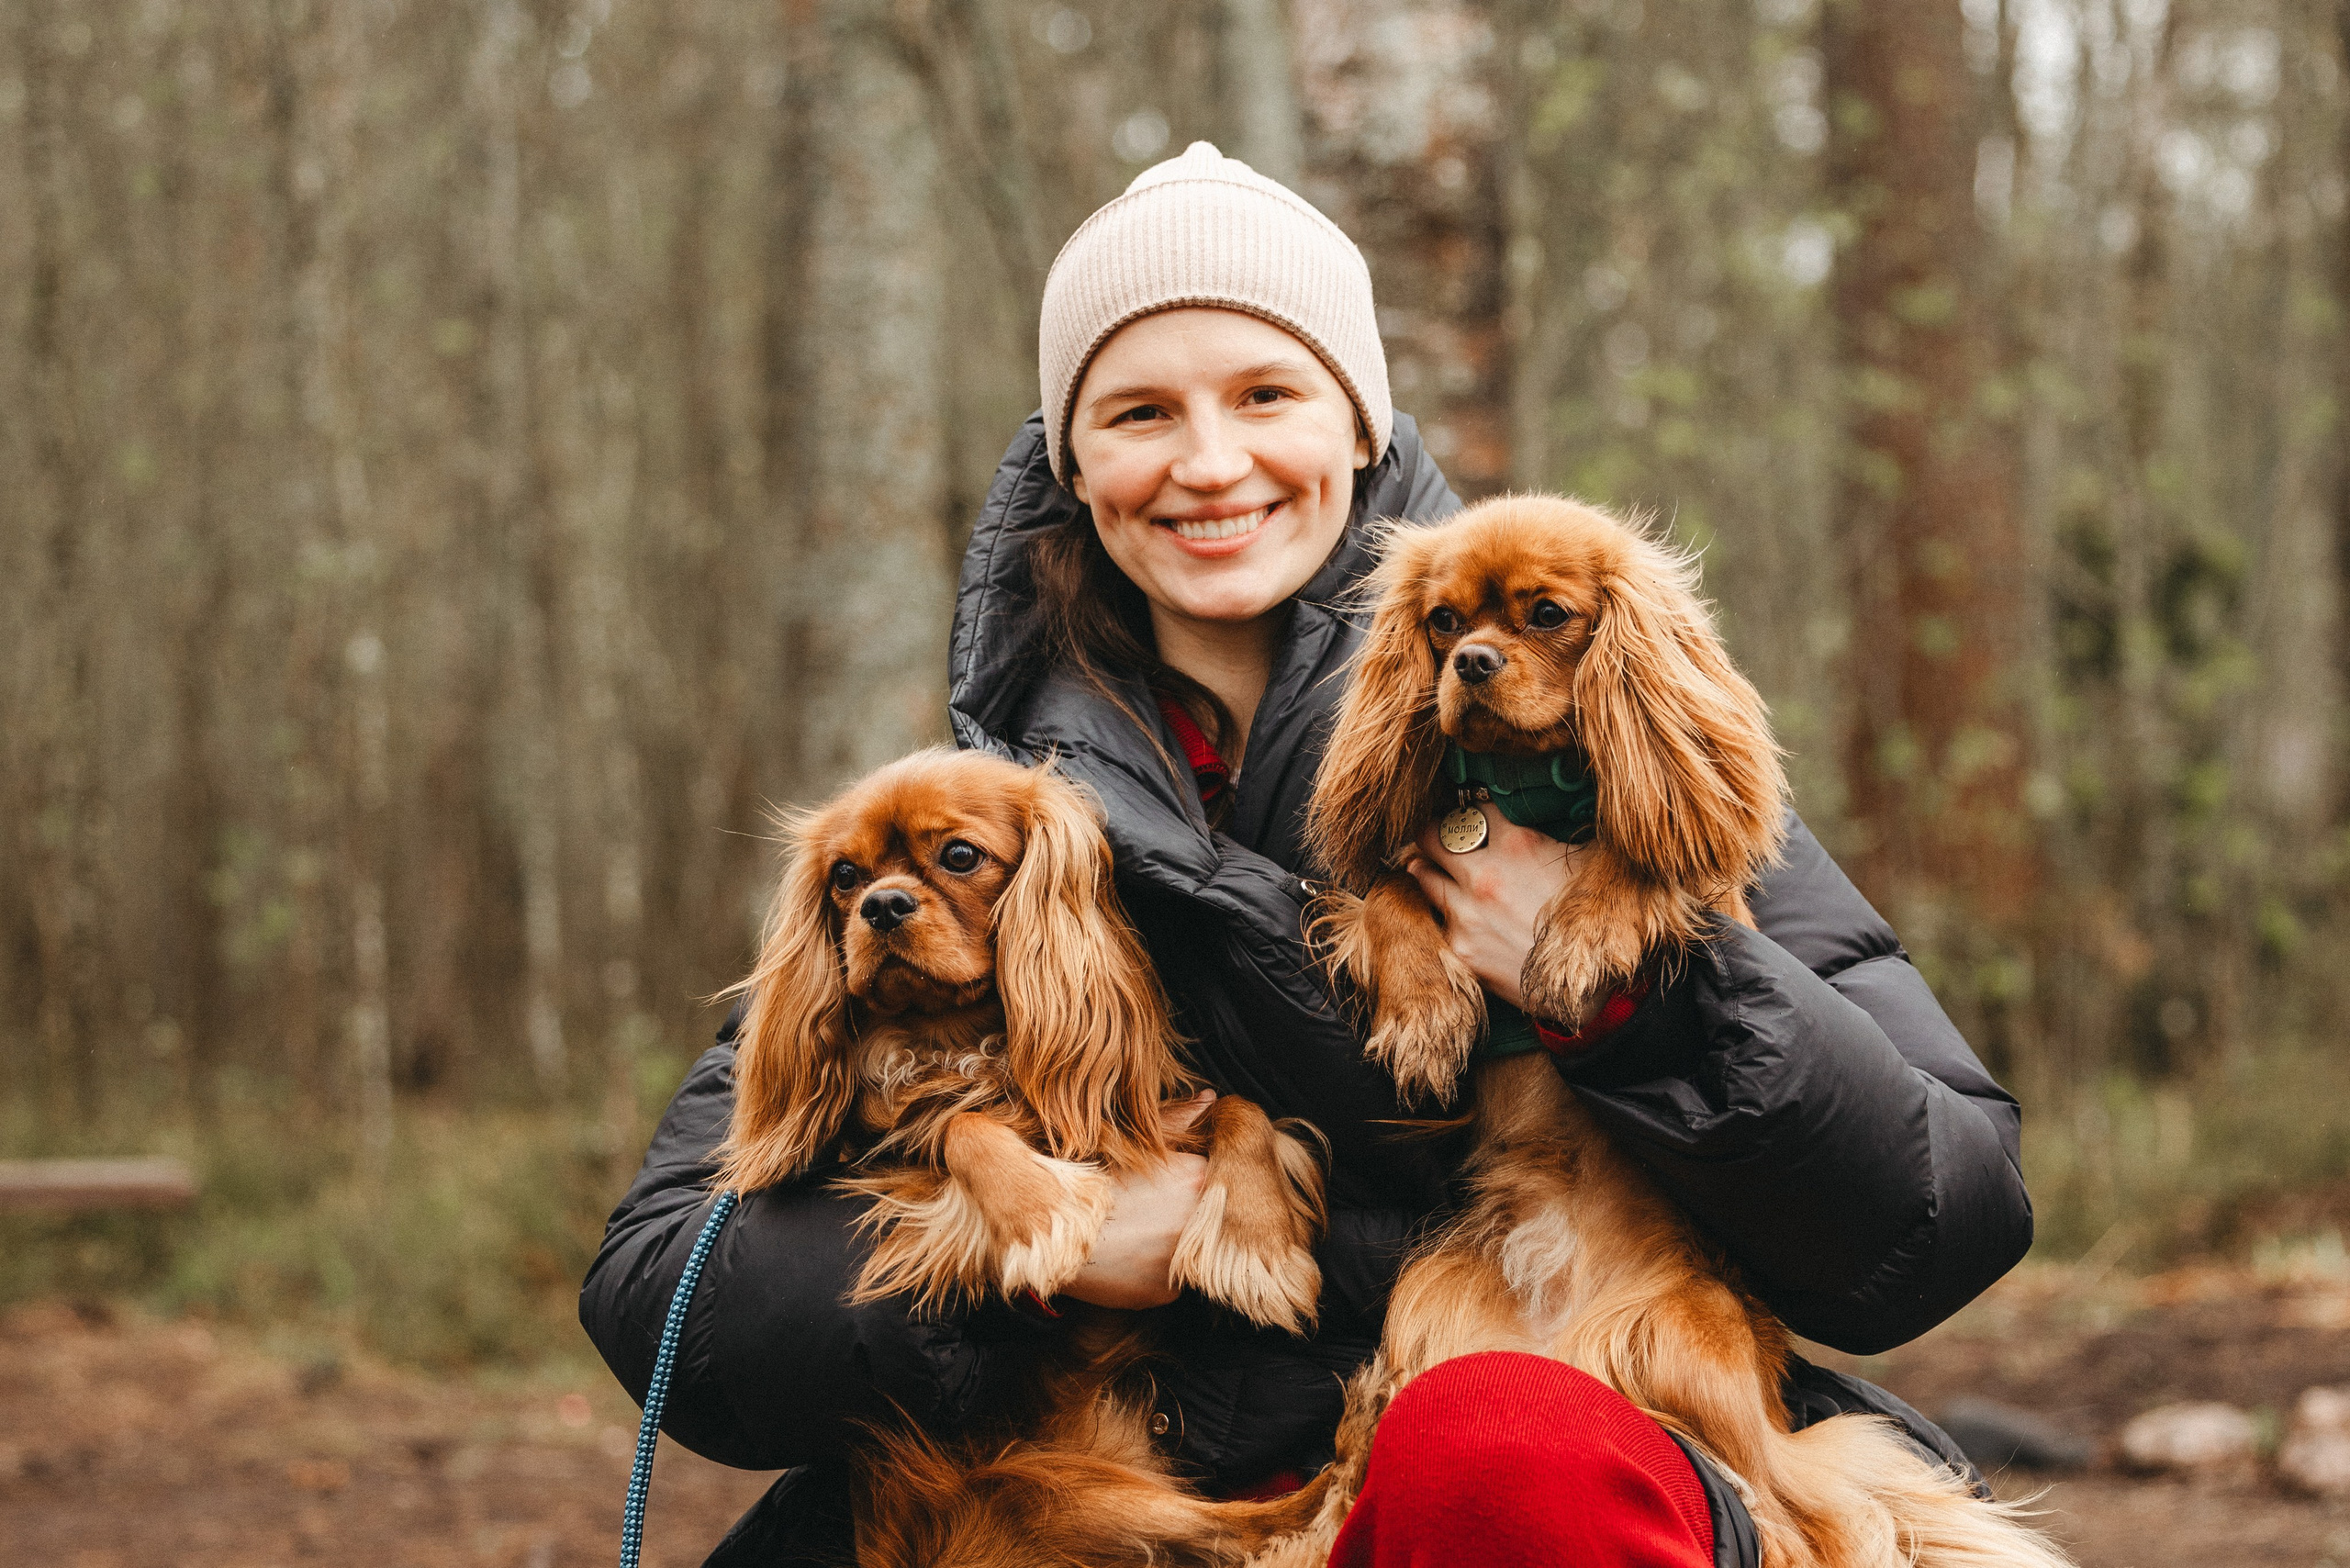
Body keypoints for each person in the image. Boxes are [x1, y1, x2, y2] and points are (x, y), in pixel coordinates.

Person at [581, 142, 2031, 1568]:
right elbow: (666, 1291)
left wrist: (1634, 996)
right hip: (1133, 1489)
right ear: (1073, 460)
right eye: (1140, 412)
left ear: (1355, 424)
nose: (1210, 463)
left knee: (1502, 1449)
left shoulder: (1595, 732)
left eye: (1265, 394)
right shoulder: (986, 826)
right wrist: (1042, 1258)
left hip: (1514, 1464)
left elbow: (1943, 1212)